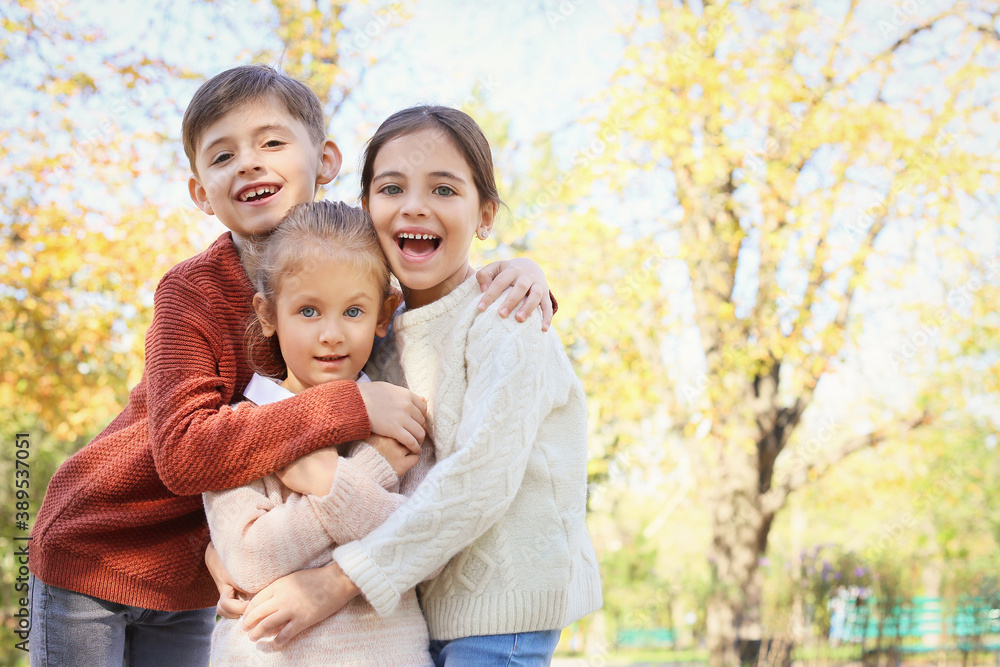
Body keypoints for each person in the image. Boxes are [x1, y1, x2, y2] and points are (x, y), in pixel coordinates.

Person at [28, 65, 552, 667]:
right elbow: (185, 452)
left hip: (207, 568)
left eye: (272, 142)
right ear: (201, 192)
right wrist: (350, 406)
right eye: (223, 155)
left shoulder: (351, 267)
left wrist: (517, 278)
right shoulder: (190, 292)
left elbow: (428, 293)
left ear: (325, 160)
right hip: (98, 547)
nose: (250, 163)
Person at [239, 106, 603, 666]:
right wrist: (222, 559)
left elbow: (481, 478)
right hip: (415, 617)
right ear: (367, 210)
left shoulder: (507, 316)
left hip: (500, 621)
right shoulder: (374, 337)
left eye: (443, 188)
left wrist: (335, 583)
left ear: (484, 213)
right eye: (391, 187)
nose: (415, 205)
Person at [205, 200, 436, 666]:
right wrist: (366, 473)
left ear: (384, 313)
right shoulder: (241, 427)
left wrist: (330, 481)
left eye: (353, 311)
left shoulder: (401, 415)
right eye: (308, 311)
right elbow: (249, 561)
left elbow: (427, 541)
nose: (331, 334)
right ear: (268, 314)